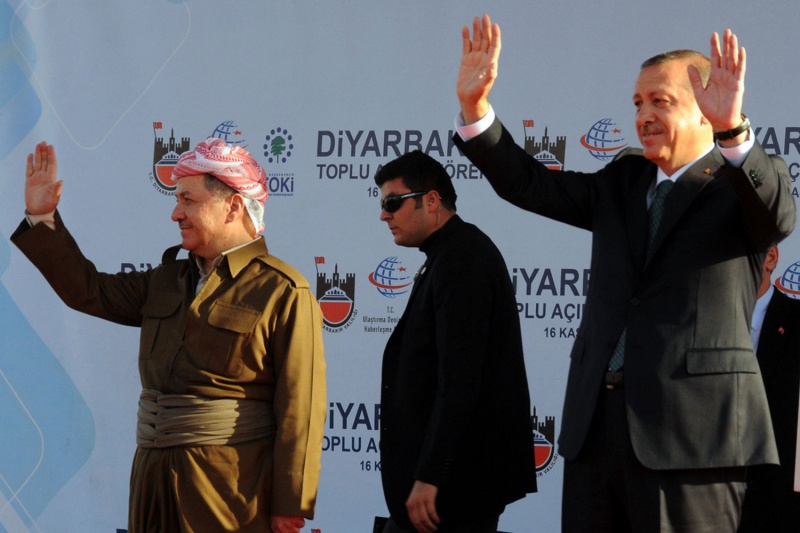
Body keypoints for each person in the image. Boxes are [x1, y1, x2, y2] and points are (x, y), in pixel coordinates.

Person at [454, 14, 796, 531]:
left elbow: (778, 216)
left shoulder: (739, 186)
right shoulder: (624, 179)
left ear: (706, 110)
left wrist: (733, 130)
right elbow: (531, 185)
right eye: (638, 103)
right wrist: (476, 110)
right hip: (596, 430)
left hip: (692, 438)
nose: (644, 115)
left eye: (661, 101)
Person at [11, 138, 326, 533]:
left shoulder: (282, 290)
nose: (176, 213)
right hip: (152, 476)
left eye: (188, 200)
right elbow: (87, 291)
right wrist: (42, 218)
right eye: (177, 200)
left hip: (229, 488)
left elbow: (301, 408)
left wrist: (290, 503)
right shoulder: (166, 278)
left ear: (233, 206)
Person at [374, 150, 537, 533]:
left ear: (431, 200)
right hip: (450, 484)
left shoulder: (462, 259)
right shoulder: (449, 253)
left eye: (393, 203)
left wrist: (432, 475)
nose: (384, 215)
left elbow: (460, 380)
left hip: (455, 488)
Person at [738, 246, 800, 531]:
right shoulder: (691, 325)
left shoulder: (796, 322)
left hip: (779, 507)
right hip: (704, 503)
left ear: (771, 258)